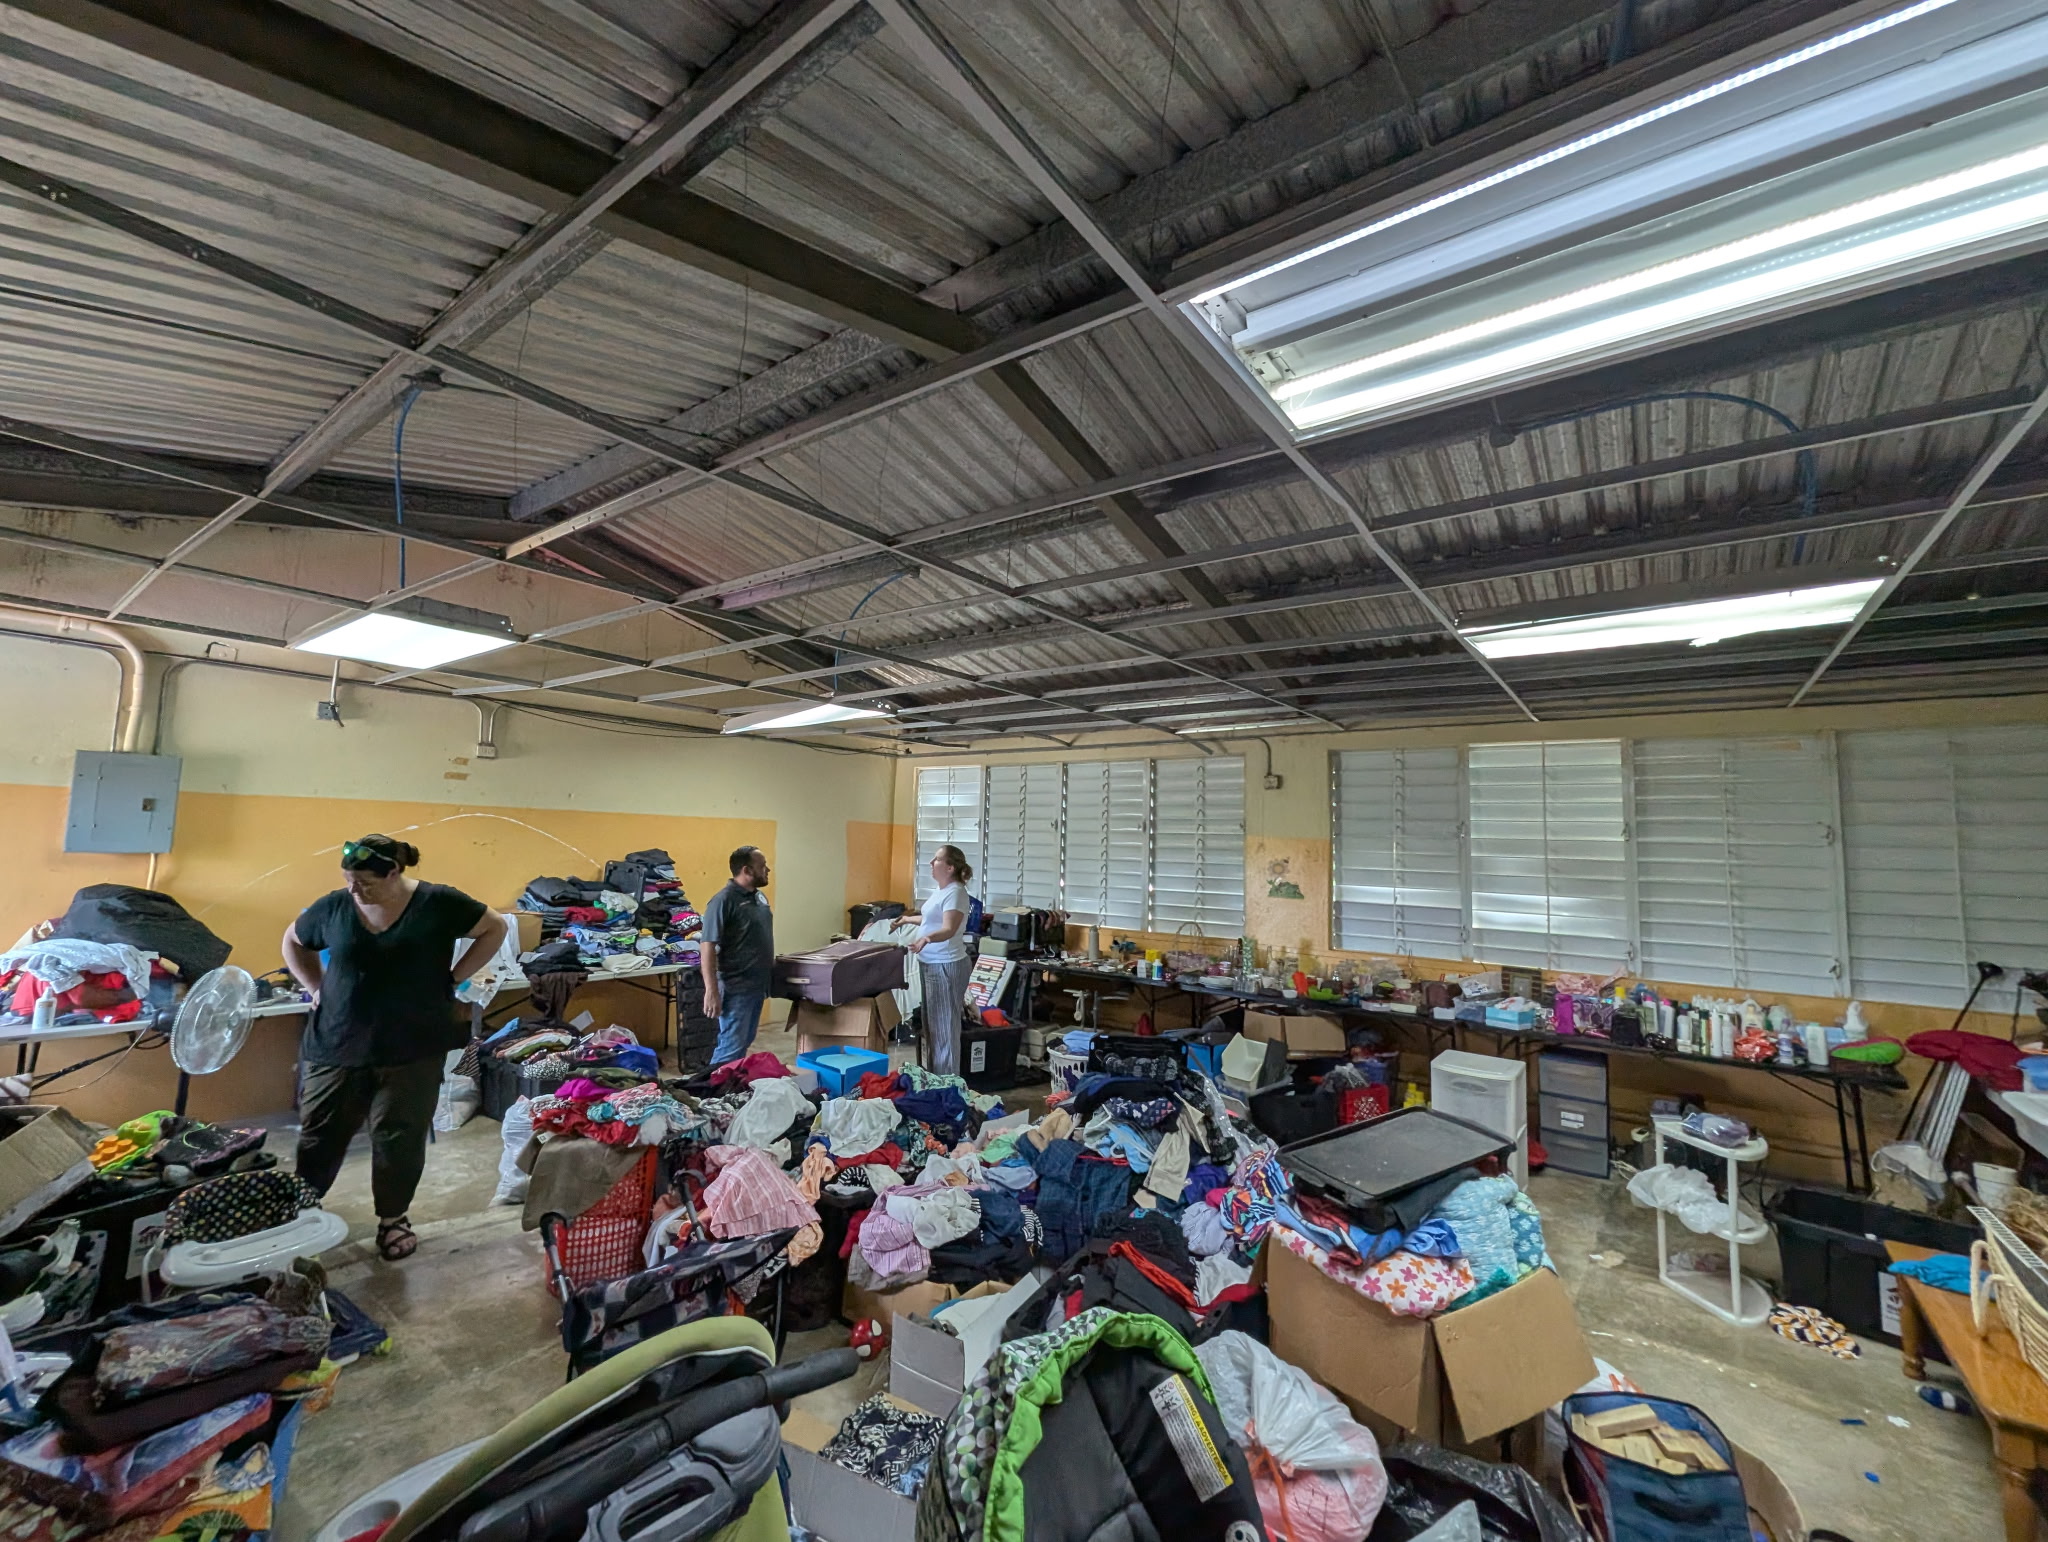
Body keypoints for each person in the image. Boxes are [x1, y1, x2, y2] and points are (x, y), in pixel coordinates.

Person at [281, 835, 506, 1261]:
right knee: (321, 1131)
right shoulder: (334, 907)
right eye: (348, 880)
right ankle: (302, 1211)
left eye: (365, 882)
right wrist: (314, 987)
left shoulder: (439, 903)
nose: (355, 890)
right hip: (338, 1041)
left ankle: (393, 1218)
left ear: (394, 872)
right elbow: (293, 940)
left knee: (399, 1135)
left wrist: (454, 977)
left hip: (413, 1044)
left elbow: (495, 927)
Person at [702, 844, 774, 1066]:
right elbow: (707, 947)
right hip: (736, 987)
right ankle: (711, 1084)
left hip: (757, 986)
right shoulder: (723, 901)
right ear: (747, 870)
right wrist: (711, 990)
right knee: (730, 1048)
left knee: (743, 1042)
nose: (768, 870)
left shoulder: (759, 898)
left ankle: (730, 1081)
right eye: (762, 866)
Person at [909, 845, 975, 1075]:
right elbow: (930, 919)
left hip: (946, 965)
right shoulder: (941, 891)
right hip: (930, 963)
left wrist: (926, 938)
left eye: (936, 859)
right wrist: (905, 920)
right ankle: (936, 1078)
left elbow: (948, 928)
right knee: (933, 1027)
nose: (931, 863)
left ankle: (948, 1082)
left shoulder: (956, 893)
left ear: (949, 867)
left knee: (945, 1028)